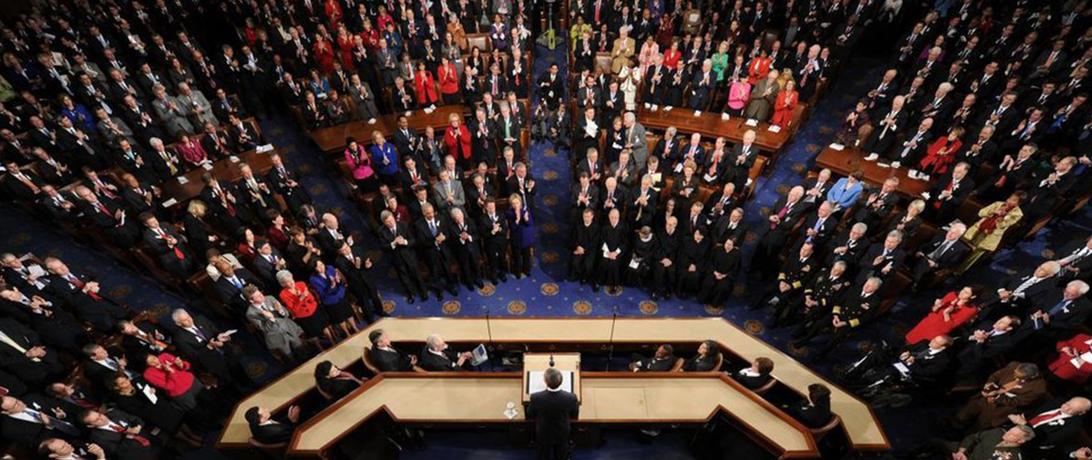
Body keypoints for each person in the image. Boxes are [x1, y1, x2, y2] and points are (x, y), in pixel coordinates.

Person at [525, 367, 580, 460]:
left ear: (545, 382)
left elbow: (530, 413)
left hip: (543, 432)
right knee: (561, 455)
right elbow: (574, 414)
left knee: (543, 454)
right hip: (562, 432)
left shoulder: (536, 397)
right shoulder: (571, 397)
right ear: (561, 381)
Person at [242, 285, 306, 361]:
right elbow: (265, 329)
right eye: (258, 296)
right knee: (290, 358)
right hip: (275, 336)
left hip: (288, 327)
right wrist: (270, 319)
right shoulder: (250, 313)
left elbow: (286, 314)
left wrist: (280, 311)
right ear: (251, 301)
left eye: (260, 293)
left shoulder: (270, 298)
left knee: (302, 350)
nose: (262, 296)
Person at [904, 286, 980, 345]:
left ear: (973, 297)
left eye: (966, 292)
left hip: (937, 330)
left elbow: (951, 326)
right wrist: (937, 306)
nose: (962, 292)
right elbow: (934, 310)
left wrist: (946, 314)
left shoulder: (970, 310)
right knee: (909, 340)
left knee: (919, 345)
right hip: (928, 322)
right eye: (963, 289)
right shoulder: (952, 295)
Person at [276, 270, 331, 344]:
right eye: (288, 282)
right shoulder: (283, 294)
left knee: (324, 327)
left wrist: (306, 295)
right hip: (303, 316)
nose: (291, 282)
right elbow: (294, 310)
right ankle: (321, 348)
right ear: (283, 284)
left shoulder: (301, 284)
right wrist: (301, 298)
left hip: (313, 309)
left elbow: (312, 299)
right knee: (313, 334)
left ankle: (333, 341)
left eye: (291, 279)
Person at [507, 193, 535, 278]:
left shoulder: (525, 211)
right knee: (517, 258)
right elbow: (512, 228)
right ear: (511, 205)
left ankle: (526, 270)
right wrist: (517, 219)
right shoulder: (509, 213)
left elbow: (530, 224)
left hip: (526, 238)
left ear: (521, 203)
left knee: (527, 256)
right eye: (514, 203)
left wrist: (526, 219)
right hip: (516, 238)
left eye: (517, 203)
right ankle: (518, 272)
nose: (516, 205)